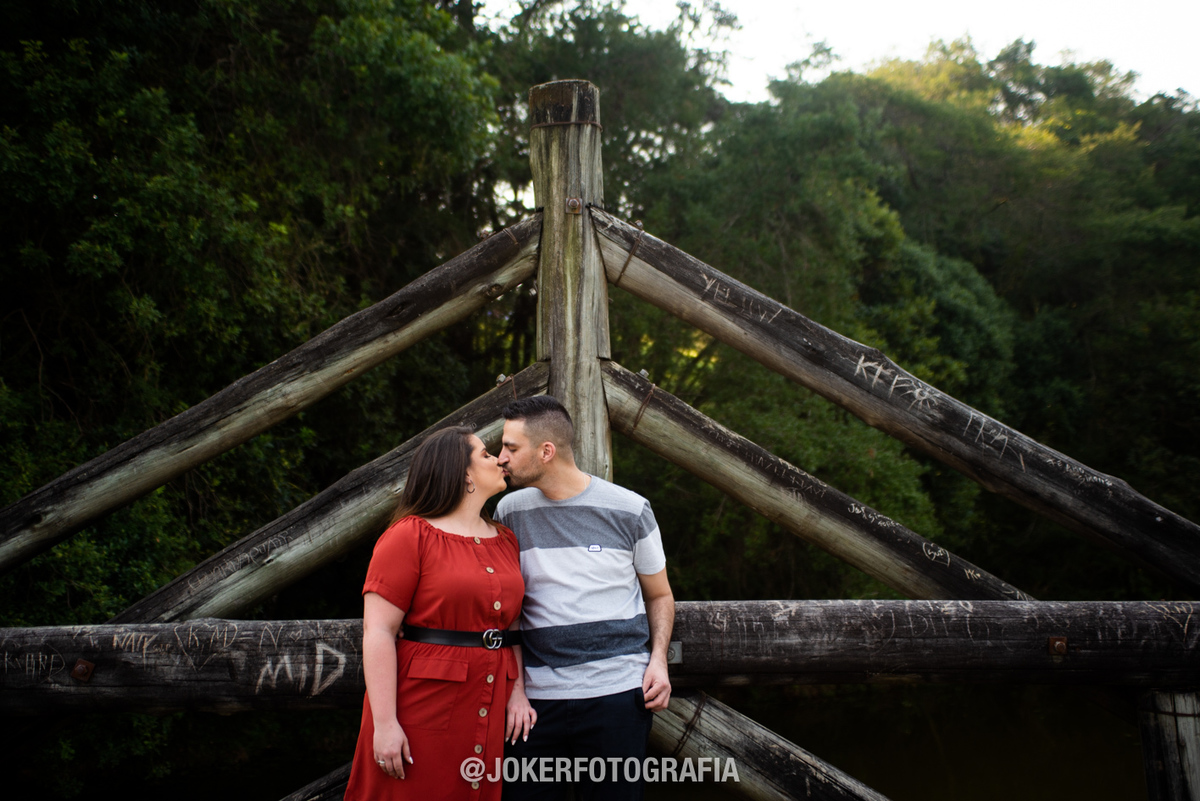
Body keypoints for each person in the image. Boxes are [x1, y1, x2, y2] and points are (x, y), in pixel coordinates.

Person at [495, 396, 675, 801]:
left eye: (510, 447)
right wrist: (515, 690)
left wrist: (659, 661)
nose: (501, 457)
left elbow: (660, 594)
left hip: (618, 697)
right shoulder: (509, 512)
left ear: (546, 451)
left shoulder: (630, 509)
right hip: (535, 706)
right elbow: (509, 612)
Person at [344, 426, 536, 801]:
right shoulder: (408, 535)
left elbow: (510, 625)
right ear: (463, 475)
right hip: (423, 704)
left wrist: (518, 692)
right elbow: (379, 631)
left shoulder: (505, 539)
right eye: (485, 454)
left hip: (489, 696)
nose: (499, 459)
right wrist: (385, 724)